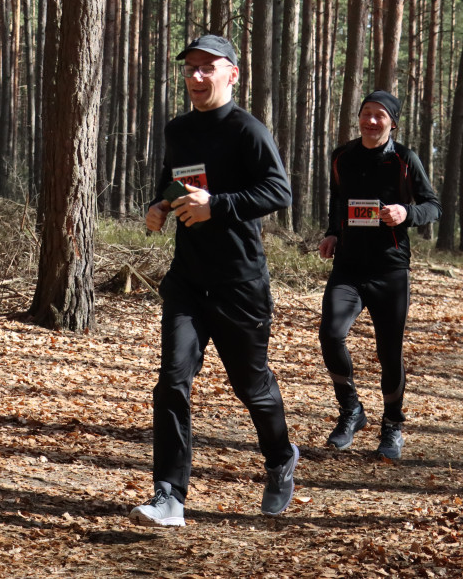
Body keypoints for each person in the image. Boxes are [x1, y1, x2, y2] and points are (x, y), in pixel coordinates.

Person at [129, 35, 299, 527]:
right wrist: (161, 205)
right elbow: (174, 180)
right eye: (190, 70)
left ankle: (281, 457)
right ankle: (169, 497)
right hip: (188, 279)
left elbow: (279, 190)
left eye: (208, 68)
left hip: (240, 282)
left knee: (252, 386)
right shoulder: (179, 129)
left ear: (232, 74)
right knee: (172, 382)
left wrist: (217, 205)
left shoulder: (248, 130)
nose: (197, 77)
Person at [317, 90, 440, 460]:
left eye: (379, 115)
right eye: (366, 113)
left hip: (390, 268)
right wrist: (332, 232)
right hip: (349, 268)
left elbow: (433, 206)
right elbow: (337, 199)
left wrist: (407, 213)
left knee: (390, 352)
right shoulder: (342, 156)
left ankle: (392, 426)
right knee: (330, 334)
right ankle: (351, 411)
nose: (371, 120)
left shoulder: (404, 159)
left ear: (393, 122)